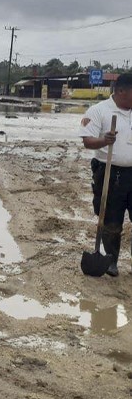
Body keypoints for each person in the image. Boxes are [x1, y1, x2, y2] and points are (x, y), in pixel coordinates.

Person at [79, 73, 132, 277]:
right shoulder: (99, 110)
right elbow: (87, 141)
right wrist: (104, 140)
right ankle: (110, 260)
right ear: (121, 91)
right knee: (111, 220)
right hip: (110, 172)